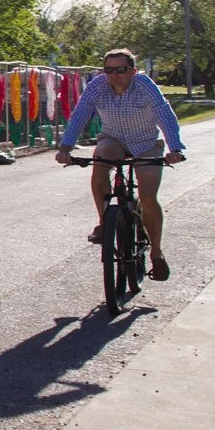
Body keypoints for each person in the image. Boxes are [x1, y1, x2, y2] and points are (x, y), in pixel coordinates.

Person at [54, 49, 186, 281]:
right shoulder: (97, 86)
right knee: (100, 162)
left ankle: (156, 253)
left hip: (146, 143)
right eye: (109, 70)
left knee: (148, 197)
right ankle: (105, 222)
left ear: (133, 71)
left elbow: (165, 115)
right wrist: (65, 147)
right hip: (113, 139)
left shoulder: (144, 85)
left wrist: (174, 149)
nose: (114, 75)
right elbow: (80, 114)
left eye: (121, 70)